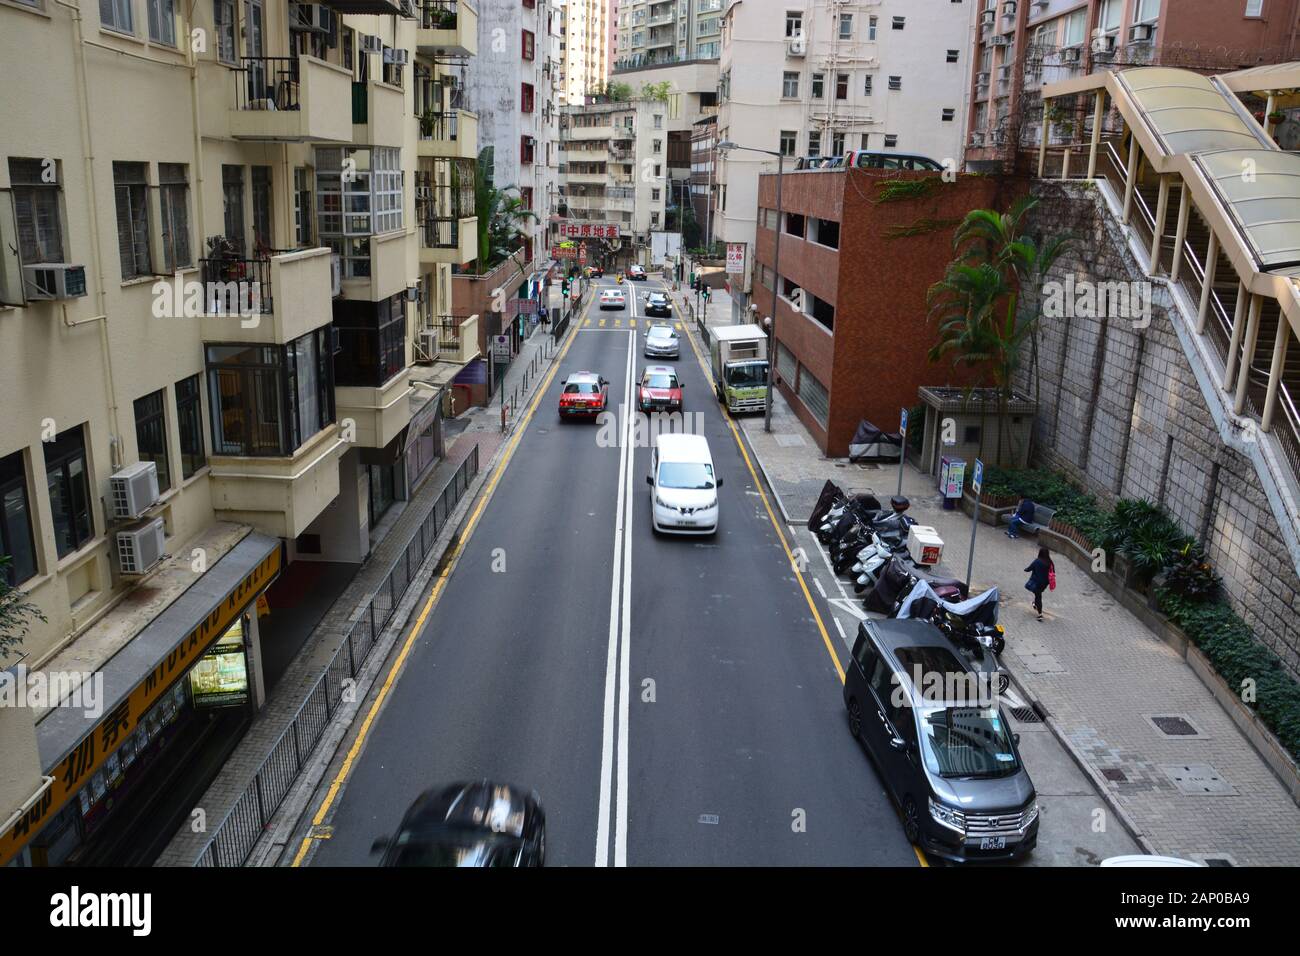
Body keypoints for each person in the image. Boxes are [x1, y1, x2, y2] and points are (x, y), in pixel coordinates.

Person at [1025, 547, 1054, 621]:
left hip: (1037, 582)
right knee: (1037, 594)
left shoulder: (1037, 561)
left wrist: (1025, 569)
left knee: (1038, 597)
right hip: (1045, 583)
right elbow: (1053, 572)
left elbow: (1029, 568)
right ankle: (1035, 604)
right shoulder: (1050, 562)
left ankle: (1040, 614)